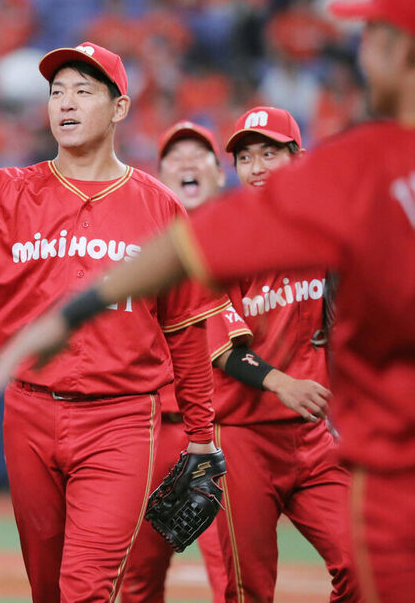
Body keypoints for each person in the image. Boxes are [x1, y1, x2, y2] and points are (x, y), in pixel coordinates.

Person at [0, 0, 415, 601]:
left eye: (374, 35)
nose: (361, 50)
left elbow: (186, 248)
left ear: (407, 51)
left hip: (409, 484)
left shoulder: (360, 167)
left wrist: (72, 311)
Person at [0, 6, 228, 602]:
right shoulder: (0, 194)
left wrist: (203, 438)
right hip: (28, 415)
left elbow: (186, 329)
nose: (68, 103)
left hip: (121, 422)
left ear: (120, 108)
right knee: (48, 590)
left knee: (87, 589)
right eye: (57, 91)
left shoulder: (159, 209)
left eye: (85, 90)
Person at [208, 107, 356, 602]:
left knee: (366, 567)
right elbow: (221, 345)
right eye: (245, 157)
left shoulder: (329, 237)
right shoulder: (223, 240)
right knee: (250, 590)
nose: (256, 167)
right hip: (245, 438)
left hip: (316, 440)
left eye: (270, 153)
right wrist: (282, 383)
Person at [120, 121, 230, 603]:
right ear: (158, 176)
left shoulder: (257, 241)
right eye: (174, 157)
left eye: (199, 154)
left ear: (220, 174)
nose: (187, 162)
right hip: (157, 426)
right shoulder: (143, 250)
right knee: (138, 573)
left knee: (235, 575)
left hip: (234, 430)